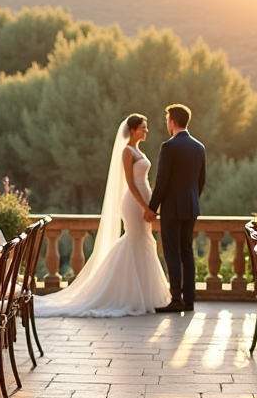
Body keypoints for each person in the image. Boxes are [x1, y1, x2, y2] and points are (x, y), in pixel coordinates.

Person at [33, 114, 169, 317]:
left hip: (143, 203)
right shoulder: (127, 151)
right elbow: (131, 184)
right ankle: (119, 292)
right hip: (134, 204)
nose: (146, 130)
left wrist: (151, 205)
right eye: (143, 127)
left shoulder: (138, 151)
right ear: (133, 130)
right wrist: (144, 207)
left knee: (143, 241)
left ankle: (143, 294)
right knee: (134, 240)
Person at [144, 104, 206, 312]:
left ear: (172, 122)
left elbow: (162, 181)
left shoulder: (169, 147)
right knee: (187, 252)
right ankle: (189, 299)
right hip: (191, 206)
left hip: (172, 208)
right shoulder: (199, 147)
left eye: (167, 119)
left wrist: (152, 208)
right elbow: (201, 181)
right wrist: (192, 200)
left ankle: (176, 298)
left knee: (172, 252)